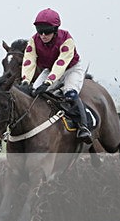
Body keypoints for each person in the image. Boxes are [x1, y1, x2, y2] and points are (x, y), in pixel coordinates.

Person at [20, 8, 91, 142]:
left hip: (71, 69)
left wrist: (48, 83)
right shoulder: (33, 41)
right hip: (50, 69)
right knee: (34, 94)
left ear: (56, 29)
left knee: (70, 93)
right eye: (40, 31)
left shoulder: (66, 39)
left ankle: (83, 126)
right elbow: (29, 61)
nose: (43, 35)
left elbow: (61, 63)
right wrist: (26, 80)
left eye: (47, 32)